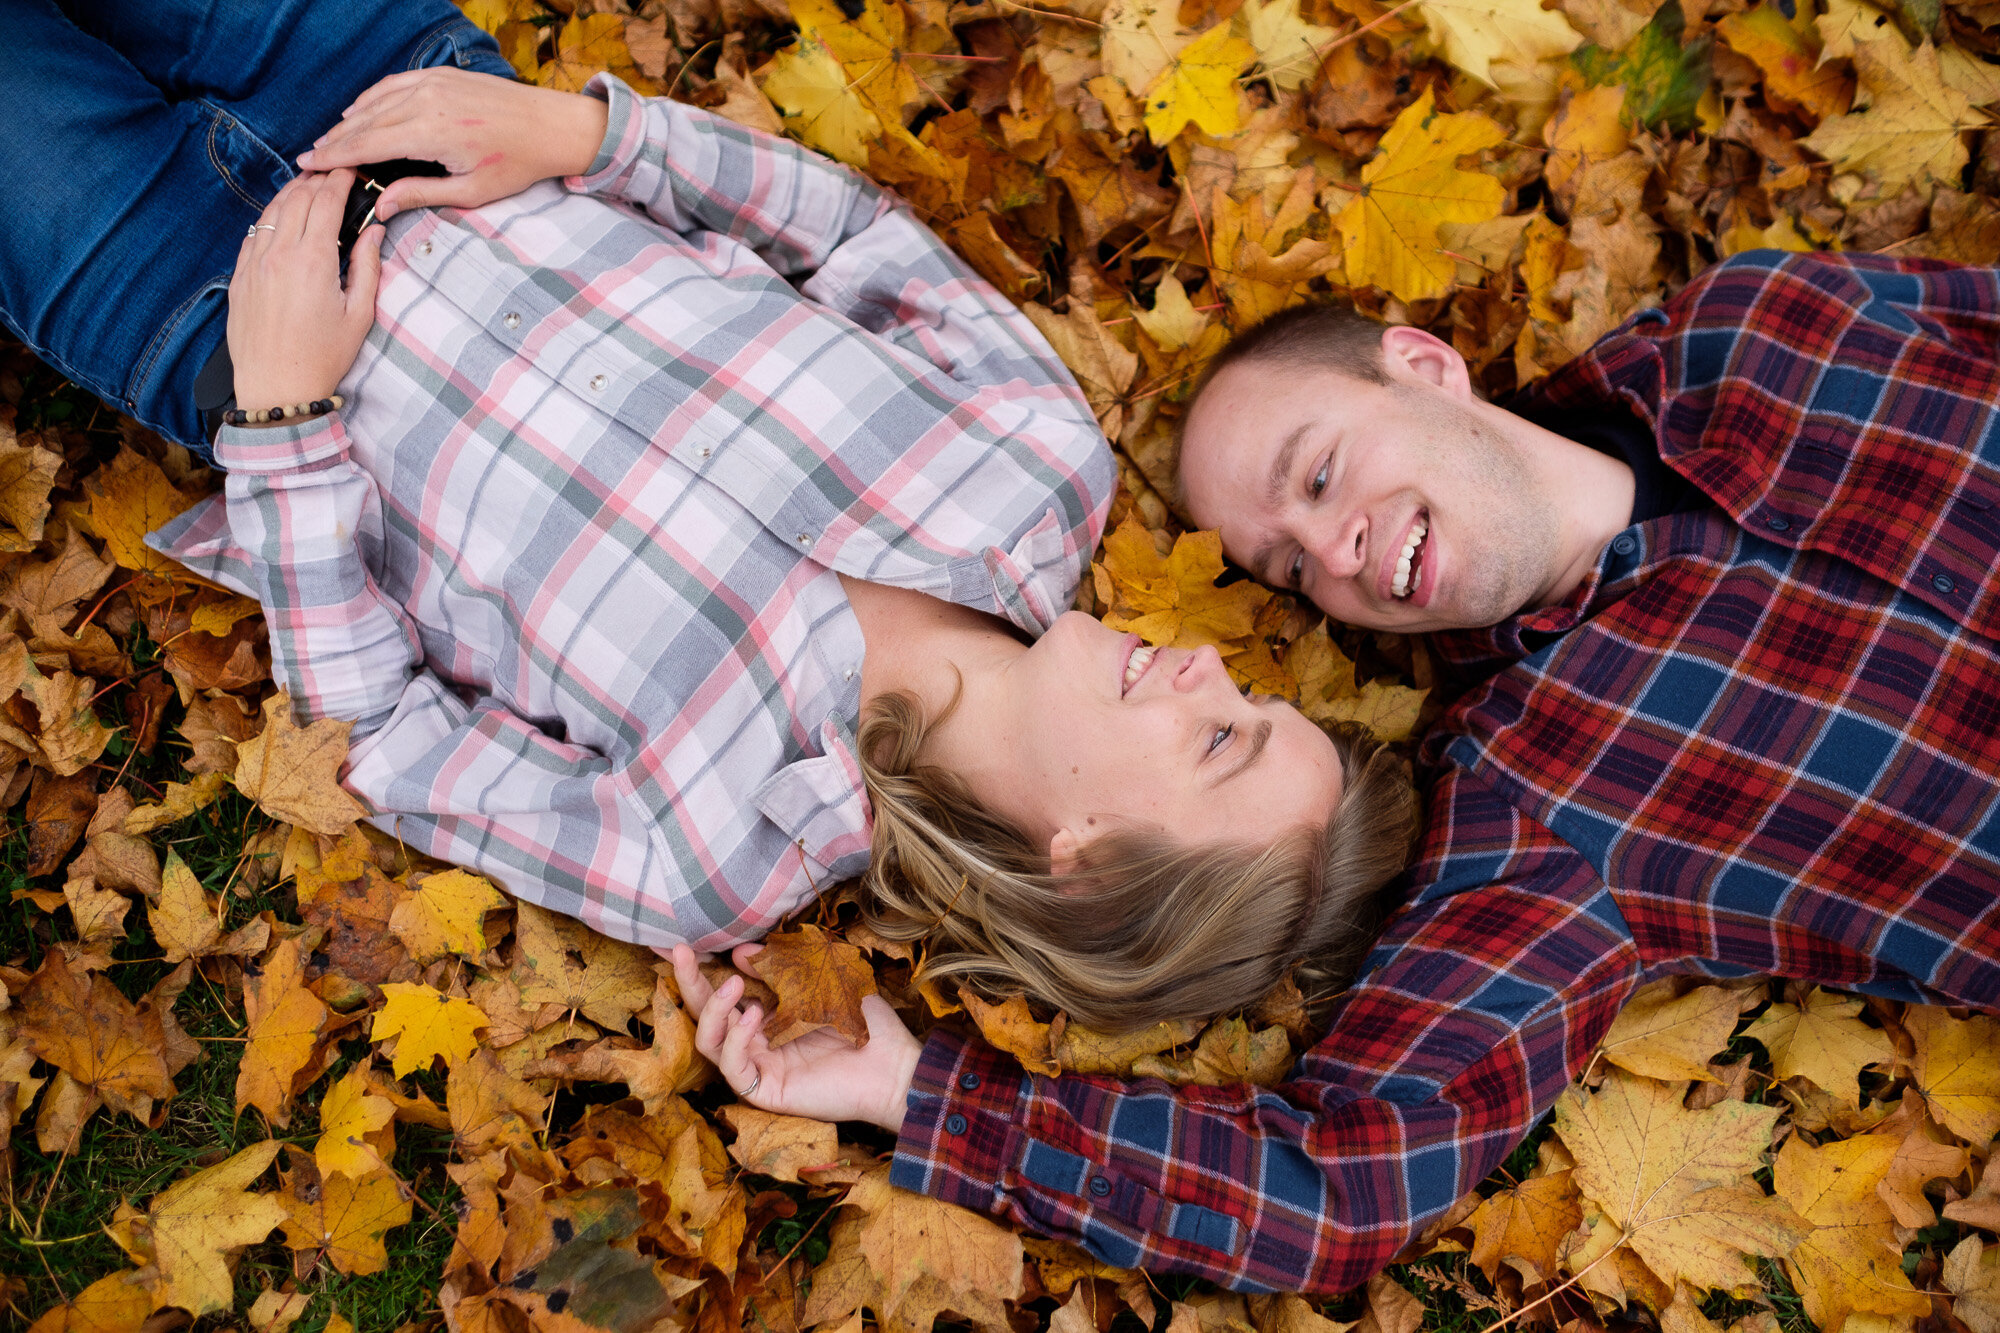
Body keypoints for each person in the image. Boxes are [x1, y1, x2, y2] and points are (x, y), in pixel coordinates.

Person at [0, 0, 1421, 1035]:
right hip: (394, 81)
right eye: (1246, 696)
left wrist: (286, 423)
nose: (1203, 665)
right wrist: (582, 130)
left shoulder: (709, 852)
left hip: (190, 296)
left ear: (1093, 852)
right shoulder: (1040, 465)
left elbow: (386, 741)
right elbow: (856, 241)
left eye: (1221, 735)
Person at [680, 248, 2000, 1293]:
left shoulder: (1764, 323)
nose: (1337, 550)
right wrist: (922, 1092)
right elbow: (1344, 1189)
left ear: (1423, 366)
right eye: (1292, 568)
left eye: (1317, 473)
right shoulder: (1544, 794)